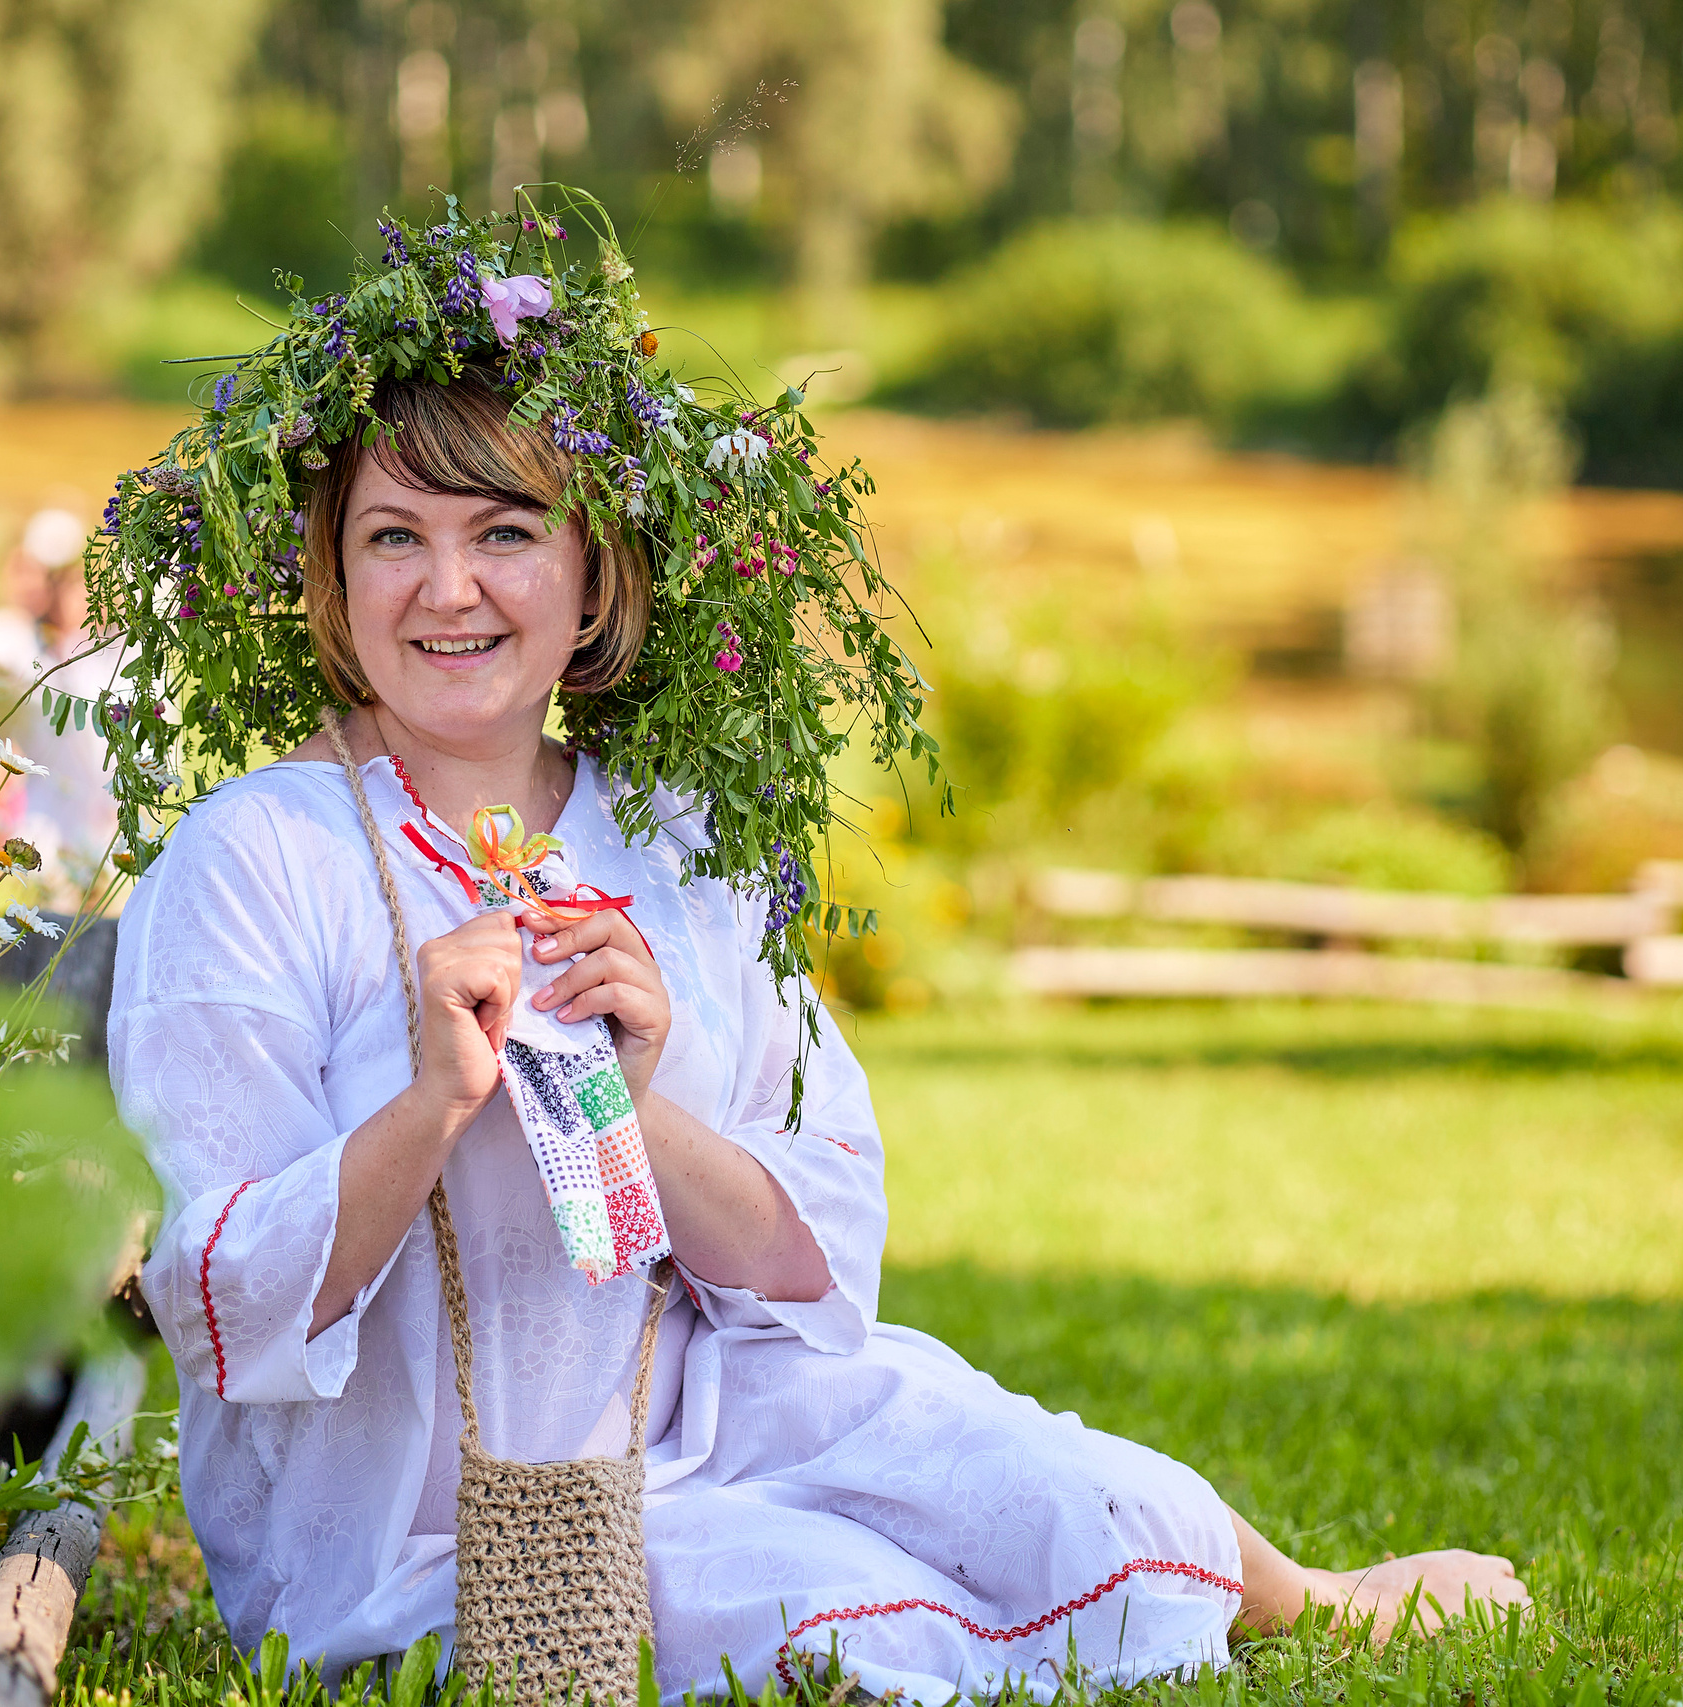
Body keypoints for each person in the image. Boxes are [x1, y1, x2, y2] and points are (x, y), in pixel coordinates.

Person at [108, 376, 1529, 1702]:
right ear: (333, 576)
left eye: (506, 530)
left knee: (1030, 1473)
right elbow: (217, 1295)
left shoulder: (679, 845)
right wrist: (429, 1099)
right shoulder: (255, 857)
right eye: (395, 535)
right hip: (412, 1535)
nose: (451, 585)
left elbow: (813, 1253)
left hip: (712, 1420)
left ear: (592, 570)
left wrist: (638, 1102)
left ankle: (1316, 1596)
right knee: (823, 1611)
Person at [0, 507, 121, 902]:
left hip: (109, 835)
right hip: (44, 838)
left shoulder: (111, 650)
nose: (63, 593)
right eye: (55, 580)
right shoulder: (10, 641)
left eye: (74, 580)